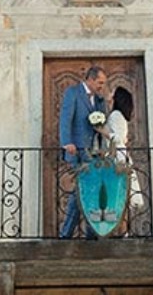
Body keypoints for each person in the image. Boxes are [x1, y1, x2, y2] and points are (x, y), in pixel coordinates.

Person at [58, 65, 108, 238]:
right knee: (80, 192)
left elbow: (102, 124)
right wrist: (67, 143)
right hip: (78, 151)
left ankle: (90, 233)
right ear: (90, 79)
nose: (102, 86)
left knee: (90, 192)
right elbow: (65, 118)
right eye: (100, 82)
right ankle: (68, 233)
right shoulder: (73, 93)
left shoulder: (99, 99)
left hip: (95, 153)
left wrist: (103, 147)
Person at [106, 87, 143, 226]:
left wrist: (103, 131)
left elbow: (118, 138)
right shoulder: (119, 115)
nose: (109, 94)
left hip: (117, 157)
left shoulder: (115, 114)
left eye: (112, 92)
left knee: (117, 195)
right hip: (120, 154)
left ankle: (119, 228)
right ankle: (122, 229)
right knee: (120, 194)